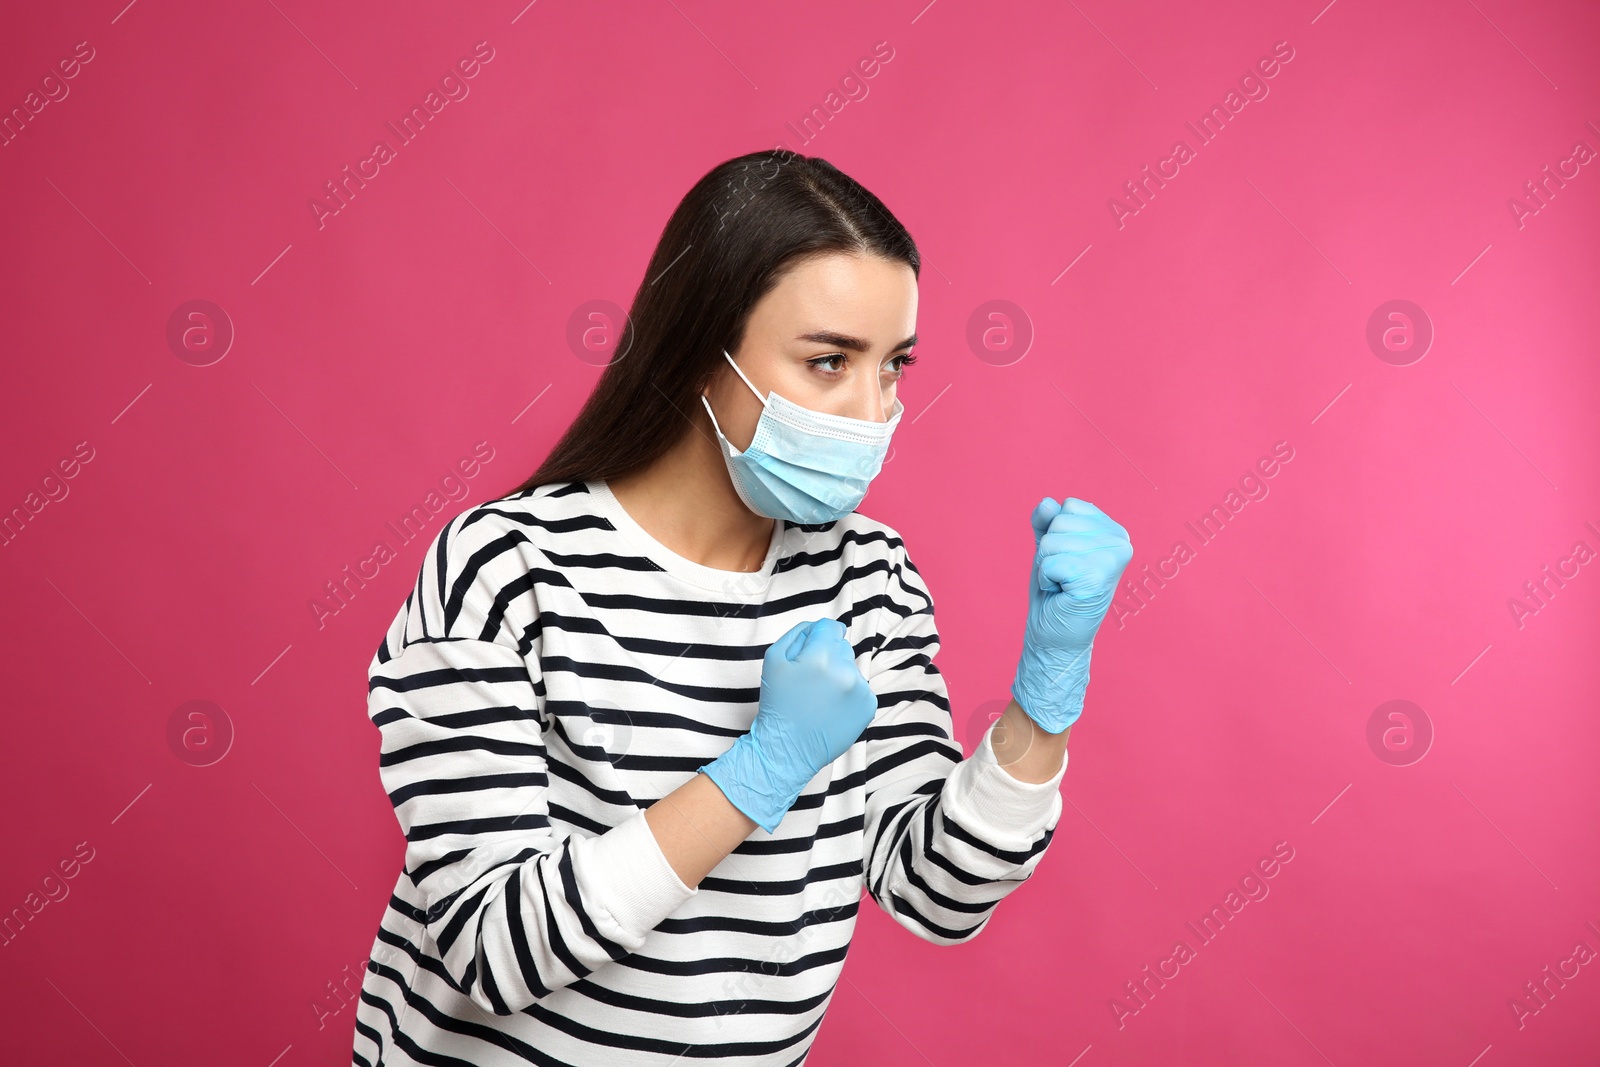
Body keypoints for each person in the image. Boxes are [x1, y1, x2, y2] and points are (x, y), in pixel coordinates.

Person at [351, 149, 1133, 1066]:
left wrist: (1047, 692)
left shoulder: (870, 580)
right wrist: (758, 770)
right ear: (698, 351)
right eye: (828, 361)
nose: (871, 410)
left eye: (894, 367)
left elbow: (939, 891)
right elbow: (494, 948)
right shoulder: (506, 567)